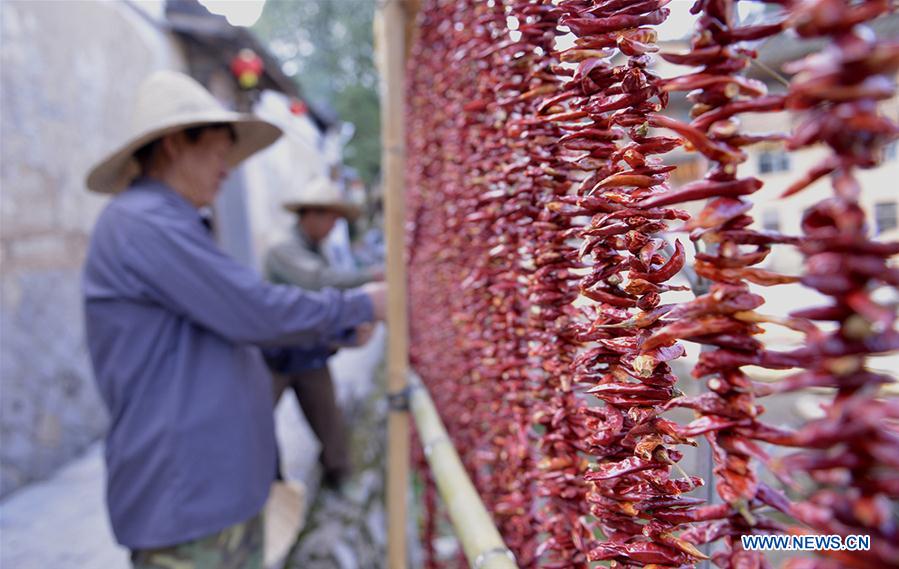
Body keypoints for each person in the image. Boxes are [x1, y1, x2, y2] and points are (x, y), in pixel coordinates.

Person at [82, 70, 386, 569]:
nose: (226, 170)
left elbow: (228, 334)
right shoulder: (143, 223)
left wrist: (334, 332)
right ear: (177, 144)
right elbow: (255, 311)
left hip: (213, 497)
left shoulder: (172, 224)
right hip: (188, 503)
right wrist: (359, 305)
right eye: (220, 151)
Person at [263, 177, 383, 489]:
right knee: (256, 423)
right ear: (310, 215)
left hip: (309, 354)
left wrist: (345, 336)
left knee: (330, 425)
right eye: (330, 218)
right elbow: (318, 284)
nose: (333, 227)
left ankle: (338, 479)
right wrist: (369, 281)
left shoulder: (315, 250)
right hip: (275, 354)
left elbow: (319, 310)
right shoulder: (284, 249)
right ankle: (271, 486)